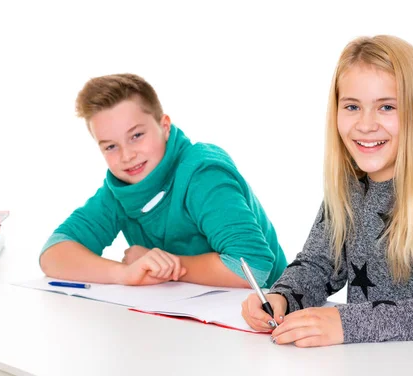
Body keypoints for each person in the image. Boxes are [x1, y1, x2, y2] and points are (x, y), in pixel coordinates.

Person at [241, 35, 413, 346]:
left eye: (386, 107)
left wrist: (348, 323)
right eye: (352, 107)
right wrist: (282, 297)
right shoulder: (350, 178)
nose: (366, 124)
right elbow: (318, 265)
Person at [40, 74, 287, 288]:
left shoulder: (204, 173)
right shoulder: (120, 188)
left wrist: (167, 266)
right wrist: (125, 273)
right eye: (111, 146)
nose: (127, 156)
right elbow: (54, 253)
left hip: (265, 316)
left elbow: (252, 268)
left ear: (164, 126)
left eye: (136, 135)